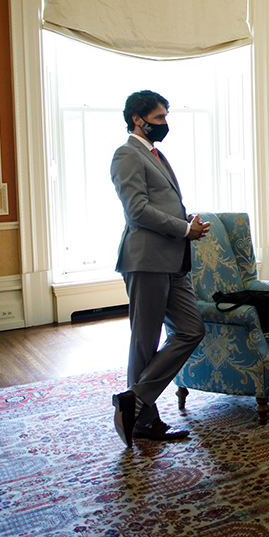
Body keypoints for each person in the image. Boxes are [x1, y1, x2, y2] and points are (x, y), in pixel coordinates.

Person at [110, 90, 210, 447]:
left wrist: (185, 220)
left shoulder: (156, 153)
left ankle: (133, 401)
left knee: (191, 329)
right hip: (146, 261)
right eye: (159, 118)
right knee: (144, 342)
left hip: (173, 260)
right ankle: (143, 421)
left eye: (166, 116)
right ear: (138, 119)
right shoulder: (126, 154)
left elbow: (160, 203)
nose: (165, 124)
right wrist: (184, 228)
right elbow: (136, 210)